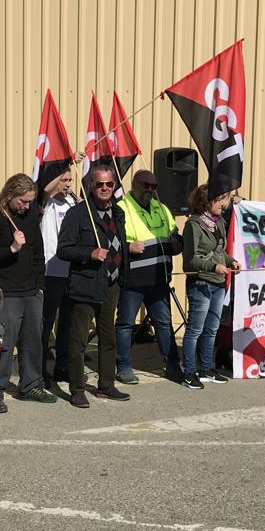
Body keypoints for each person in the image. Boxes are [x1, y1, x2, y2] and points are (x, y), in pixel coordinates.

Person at [0, 173, 56, 411]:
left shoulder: (30, 216)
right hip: (6, 291)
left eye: (30, 201)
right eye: (22, 201)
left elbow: (37, 252)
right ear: (10, 195)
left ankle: (31, 384)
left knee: (33, 340)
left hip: (31, 290)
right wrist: (11, 248)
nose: (27, 206)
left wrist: (40, 286)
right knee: (4, 343)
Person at [57, 165, 131, 408]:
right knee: (78, 342)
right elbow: (64, 250)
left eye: (109, 184)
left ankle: (106, 386)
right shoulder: (78, 214)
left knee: (108, 339)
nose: (105, 188)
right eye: (100, 184)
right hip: (84, 286)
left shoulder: (118, 213)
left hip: (111, 286)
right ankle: (77, 388)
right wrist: (90, 253)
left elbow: (120, 244)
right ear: (91, 185)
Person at [115, 169, 183, 384]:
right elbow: (111, 244)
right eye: (146, 186)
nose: (150, 190)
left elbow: (175, 239)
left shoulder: (162, 208)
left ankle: (172, 365)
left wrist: (177, 243)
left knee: (164, 323)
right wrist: (128, 247)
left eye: (154, 187)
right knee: (125, 324)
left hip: (159, 279)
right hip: (133, 279)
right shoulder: (121, 209)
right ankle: (123, 367)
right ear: (134, 185)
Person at [180, 185, 242, 390]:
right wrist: (213, 266)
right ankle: (189, 371)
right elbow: (189, 261)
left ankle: (207, 368)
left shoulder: (219, 223)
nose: (224, 204)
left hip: (218, 283)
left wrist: (231, 261)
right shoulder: (193, 225)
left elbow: (220, 251)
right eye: (219, 200)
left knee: (212, 329)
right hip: (201, 283)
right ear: (206, 202)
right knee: (195, 330)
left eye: (224, 199)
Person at [39, 172, 76, 389]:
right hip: (51, 271)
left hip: (71, 271)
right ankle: (42, 369)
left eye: (70, 180)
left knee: (67, 324)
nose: (67, 185)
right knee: (46, 323)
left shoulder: (73, 203)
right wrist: (62, 165)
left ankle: (62, 366)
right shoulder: (47, 204)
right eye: (63, 180)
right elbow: (44, 191)